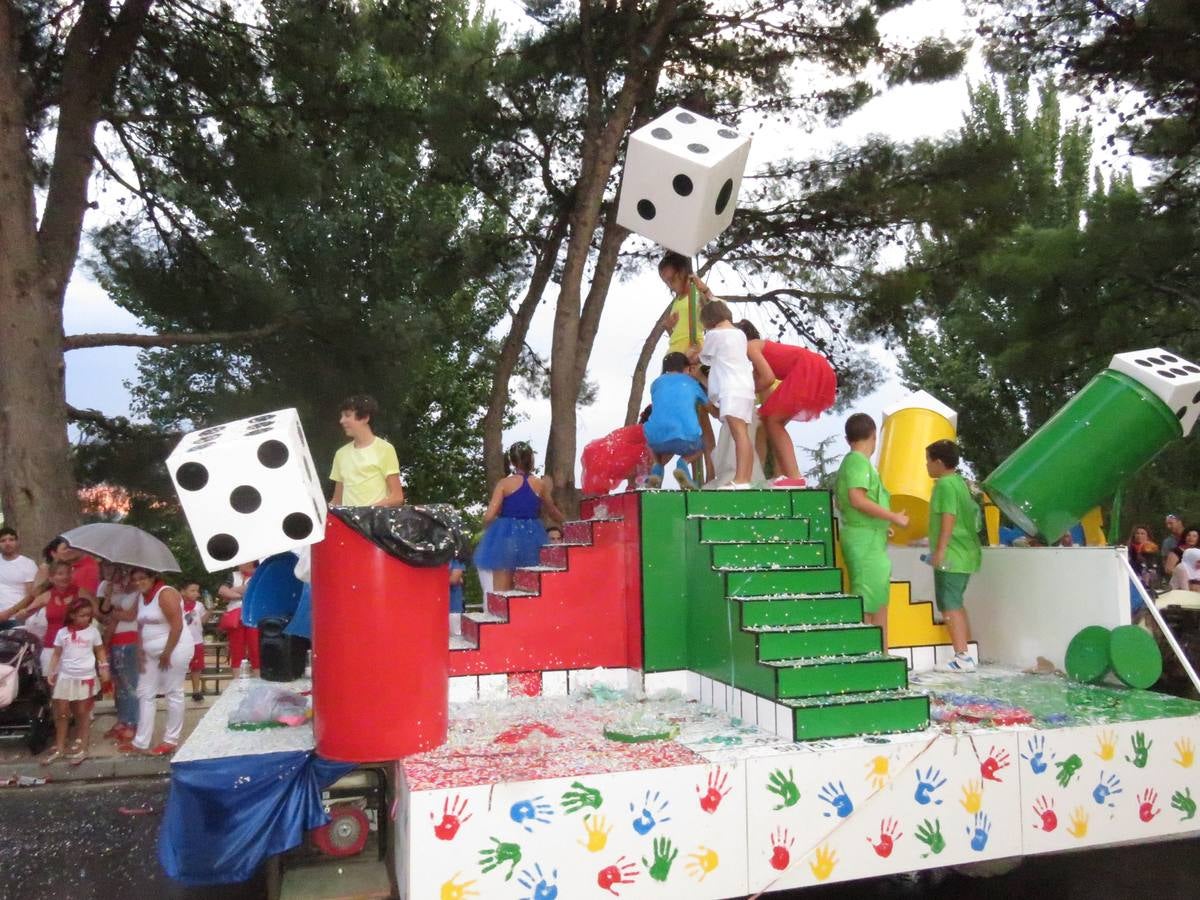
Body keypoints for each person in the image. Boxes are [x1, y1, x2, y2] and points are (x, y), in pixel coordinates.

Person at [835, 413, 908, 649]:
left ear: (847, 438)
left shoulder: (855, 463)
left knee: (877, 599)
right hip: (863, 540)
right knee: (867, 600)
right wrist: (892, 517)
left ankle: (880, 654)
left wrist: (880, 525)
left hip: (868, 537)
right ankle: (868, 655)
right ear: (874, 436)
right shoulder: (857, 461)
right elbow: (856, 499)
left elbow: (843, 503)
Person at [736, 320, 837, 486]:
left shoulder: (751, 347)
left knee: (773, 421)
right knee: (772, 422)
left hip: (807, 367)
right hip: (813, 366)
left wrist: (743, 393)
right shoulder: (755, 353)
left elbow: (768, 379)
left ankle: (795, 476)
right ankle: (788, 475)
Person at [474, 442, 566, 592]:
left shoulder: (504, 484)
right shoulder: (539, 484)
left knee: (501, 590)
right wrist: (569, 523)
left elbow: (488, 516)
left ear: (511, 462)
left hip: (506, 536)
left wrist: (490, 528)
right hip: (532, 535)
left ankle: (503, 614)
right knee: (527, 585)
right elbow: (553, 511)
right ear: (531, 459)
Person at [124, 567, 195, 755]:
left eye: (142, 578)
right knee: (145, 692)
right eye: (135, 579)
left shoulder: (166, 594)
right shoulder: (141, 597)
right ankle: (141, 741)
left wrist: (167, 652)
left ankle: (170, 740)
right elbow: (140, 625)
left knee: (173, 691)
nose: (139, 583)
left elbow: (177, 625)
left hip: (175, 647)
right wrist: (139, 650)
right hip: (149, 651)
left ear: (153, 577)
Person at [926, 440, 983, 673]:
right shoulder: (960, 483)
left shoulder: (945, 485)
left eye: (928, 460)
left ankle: (961, 657)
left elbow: (949, 517)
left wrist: (940, 550)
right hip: (966, 553)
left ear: (939, 462)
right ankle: (965, 654)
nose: (926, 465)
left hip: (952, 556)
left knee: (949, 604)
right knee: (956, 603)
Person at [42, 597, 108, 764]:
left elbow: (99, 651)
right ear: (72, 615)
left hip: (85, 677)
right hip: (66, 676)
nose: (86, 618)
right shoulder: (62, 633)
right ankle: (60, 746)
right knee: (62, 712)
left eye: (88, 615)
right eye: (82, 615)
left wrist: (104, 668)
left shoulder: (93, 632)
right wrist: (52, 671)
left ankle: (82, 747)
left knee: (82, 713)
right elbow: (57, 653)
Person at [699, 301, 756, 489]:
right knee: (743, 434)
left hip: (730, 389)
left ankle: (740, 479)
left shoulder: (715, 334)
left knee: (738, 433)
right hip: (745, 388)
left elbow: (704, 357)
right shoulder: (740, 334)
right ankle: (745, 477)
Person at [643, 351, 709, 490]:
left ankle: (657, 466)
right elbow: (709, 405)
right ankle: (683, 463)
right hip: (687, 440)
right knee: (703, 445)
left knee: (657, 437)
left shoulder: (656, 383)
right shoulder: (691, 382)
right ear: (686, 368)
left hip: (656, 440)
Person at [330, 394, 405, 507]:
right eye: (341, 416)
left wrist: (367, 512)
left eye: (347, 415)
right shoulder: (340, 454)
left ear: (365, 418)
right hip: (348, 523)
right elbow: (337, 501)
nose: (341, 420)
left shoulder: (385, 449)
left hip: (374, 522)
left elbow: (397, 497)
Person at [98, 565, 140, 743]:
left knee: (130, 682)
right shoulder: (111, 588)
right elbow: (103, 613)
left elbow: (130, 615)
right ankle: (123, 718)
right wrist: (109, 596)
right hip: (114, 637)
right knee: (119, 683)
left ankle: (133, 721)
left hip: (131, 637)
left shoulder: (138, 591)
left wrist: (114, 615)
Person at [217, 561, 259, 672]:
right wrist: (242, 595)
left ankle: (257, 676)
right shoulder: (233, 575)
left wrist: (232, 592)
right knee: (236, 648)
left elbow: (253, 591)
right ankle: (236, 679)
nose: (239, 563)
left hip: (253, 616)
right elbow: (222, 591)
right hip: (235, 617)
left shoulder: (259, 574)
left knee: (255, 649)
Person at [0, 526, 37, 616]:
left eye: (11, 540)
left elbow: (31, 595)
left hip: (16, 616)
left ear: (17, 542)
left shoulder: (28, 564)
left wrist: (9, 613)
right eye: (3, 541)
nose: (7, 543)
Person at [181, 581, 207, 702]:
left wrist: (210, 610)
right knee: (180, 666)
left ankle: (196, 690)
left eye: (197, 591)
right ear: (183, 591)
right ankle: (178, 690)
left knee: (196, 667)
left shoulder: (199, 605)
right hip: (181, 641)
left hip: (197, 640)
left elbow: (203, 621)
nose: (196, 593)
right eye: (192, 590)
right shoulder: (177, 605)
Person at [1127, 525, 1159, 590]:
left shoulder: (1153, 549)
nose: (1139, 536)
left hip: (1150, 575)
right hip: (1134, 575)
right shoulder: (1129, 548)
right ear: (1134, 535)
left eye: (1142, 534)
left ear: (1147, 536)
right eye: (1137, 533)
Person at [449, 556, 466, 637]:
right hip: (435, 608)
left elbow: (454, 579)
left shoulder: (456, 558)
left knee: (456, 638)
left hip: (453, 609)